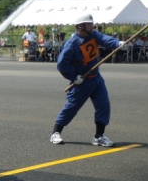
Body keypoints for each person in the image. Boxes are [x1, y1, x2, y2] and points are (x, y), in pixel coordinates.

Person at [49, 13, 123, 147]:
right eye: (89, 24)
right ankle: (56, 132)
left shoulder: (93, 35)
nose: (92, 26)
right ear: (80, 27)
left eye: (91, 24)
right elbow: (62, 64)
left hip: (97, 79)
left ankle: (99, 137)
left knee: (104, 105)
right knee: (71, 107)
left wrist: (118, 43)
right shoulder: (72, 44)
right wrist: (73, 77)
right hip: (82, 82)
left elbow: (105, 39)